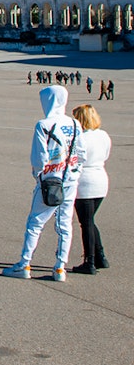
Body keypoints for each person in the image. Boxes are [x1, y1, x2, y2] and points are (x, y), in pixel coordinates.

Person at [3, 86, 86, 282]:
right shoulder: (74, 124)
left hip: (50, 180)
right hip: (70, 180)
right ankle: (60, 267)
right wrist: (75, 172)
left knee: (36, 223)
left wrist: (38, 175)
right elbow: (82, 154)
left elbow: (39, 157)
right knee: (65, 224)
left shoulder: (43, 125)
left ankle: (24, 263)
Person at [71, 104, 111, 274]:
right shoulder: (103, 135)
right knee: (89, 220)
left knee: (85, 222)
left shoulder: (80, 138)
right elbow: (106, 154)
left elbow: (75, 159)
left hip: (85, 181)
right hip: (100, 179)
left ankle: (90, 261)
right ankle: (100, 255)